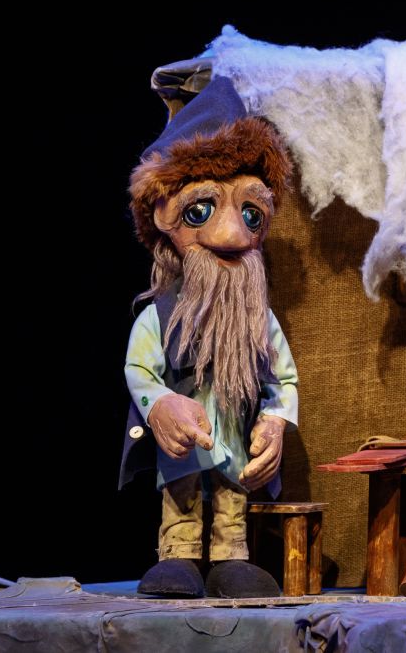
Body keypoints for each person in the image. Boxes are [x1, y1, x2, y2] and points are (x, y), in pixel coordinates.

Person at [119, 78, 299, 598]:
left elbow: (283, 378)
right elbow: (139, 369)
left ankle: (230, 558)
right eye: (200, 211)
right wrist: (160, 405)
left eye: (251, 214)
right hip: (182, 439)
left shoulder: (257, 317)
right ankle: (177, 555)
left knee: (231, 497)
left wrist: (274, 422)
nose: (232, 236)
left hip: (234, 437)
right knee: (181, 491)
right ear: (164, 215)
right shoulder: (159, 315)